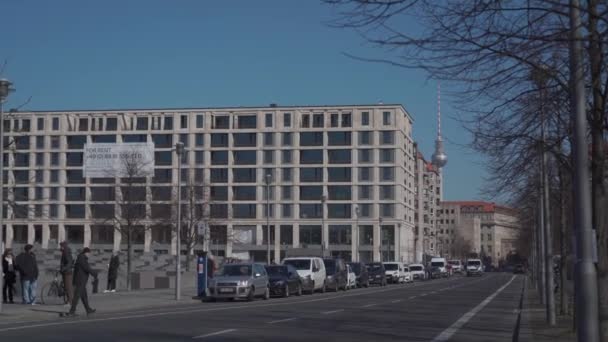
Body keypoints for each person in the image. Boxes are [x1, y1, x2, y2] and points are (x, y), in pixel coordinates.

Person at [66, 247, 97, 316]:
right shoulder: (82, 259)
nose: (89, 255)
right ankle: (72, 311)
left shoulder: (81, 258)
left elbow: (86, 268)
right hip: (80, 280)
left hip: (81, 280)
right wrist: (94, 273)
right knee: (77, 296)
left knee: (84, 296)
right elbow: (87, 268)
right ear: (86, 253)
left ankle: (88, 310)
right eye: (89, 253)